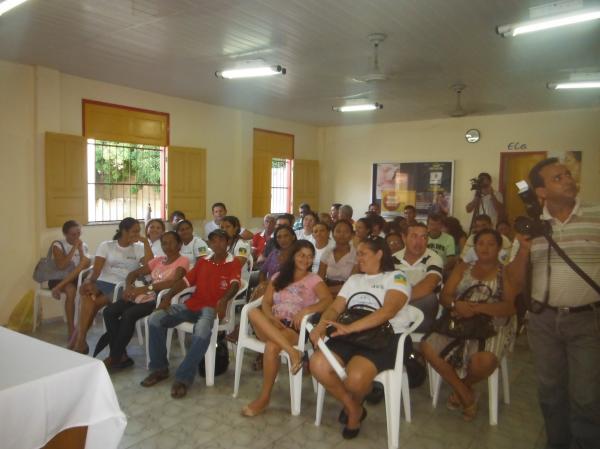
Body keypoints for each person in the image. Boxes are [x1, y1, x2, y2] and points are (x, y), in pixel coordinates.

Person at [507, 158, 600, 449]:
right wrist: (523, 249)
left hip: (587, 320)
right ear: (541, 192)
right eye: (558, 177)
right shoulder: (531, 226)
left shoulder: (596, 216)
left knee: (586, 396)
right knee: (550, 392)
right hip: (543, 322)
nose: (569, 180)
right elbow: (512, 281)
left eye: (568, 174)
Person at [309, 238, 411, 439]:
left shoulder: (397, 277)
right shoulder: (355, 280)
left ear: (379, 254)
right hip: (351, 334)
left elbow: (388, 311)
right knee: (318, 364)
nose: (358, 257)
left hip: (384, 336)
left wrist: (349, 328)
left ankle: (356, 400)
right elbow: (335, 308)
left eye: (363, 253)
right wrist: (321, 325)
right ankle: (354, 408)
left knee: (355, 379)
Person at [421, 229, 517, 422]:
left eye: (491, 244)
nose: (485, 248)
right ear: (475, 246)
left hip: (491, 324)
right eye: (481, 243)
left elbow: (509, 307)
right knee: (427, 347)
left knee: (483, 362)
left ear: (499, 248)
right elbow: (445, 296)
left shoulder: (505, 272)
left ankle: (462, 387)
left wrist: (479, 308)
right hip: (459, 320)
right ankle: (466, 394)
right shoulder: (463, 267)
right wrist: (457, 305)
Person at [141, 229, 241, 398]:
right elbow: (185, 282)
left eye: (221, 241)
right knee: (155, 319)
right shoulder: (203, 262)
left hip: (211, 309)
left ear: (228, 243)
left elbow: (235, 285)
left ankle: (183, 378)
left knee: (202, 331)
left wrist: (223, 300)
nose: (217, 244)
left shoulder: (234, 263)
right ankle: (159, 369)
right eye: (213, 241)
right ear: (209, 244)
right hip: (190, 306)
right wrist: (168, 296)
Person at [241, 240, 333, 416]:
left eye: (309, 256)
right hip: (272, 324)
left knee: (271, 346)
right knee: (252, 311)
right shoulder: (278, 277)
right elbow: (266, 303)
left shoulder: (314, 279)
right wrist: (270, 318)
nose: (306, 259)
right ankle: (292, 352)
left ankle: (264, 397)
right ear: (293, 256)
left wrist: (306, 310)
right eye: (301, 255)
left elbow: (328, 300)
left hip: (293, 329)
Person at [103, 231, 188, 370]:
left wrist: (144, 289)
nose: (168, 246)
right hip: (142, 296)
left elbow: (173, 282)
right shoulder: (159, 260)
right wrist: (129, 287)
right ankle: (121, 355)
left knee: (128, 314)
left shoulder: (182, 261)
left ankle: (115, 356)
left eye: (171, 242)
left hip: (160, 299)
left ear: (179, 244)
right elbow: (134, 273)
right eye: (164, 243)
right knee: (109, 312)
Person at [74, 217, 153, 353]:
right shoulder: (107, 245)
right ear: (124, 231)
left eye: (138, 232)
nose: (137, 235)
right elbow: (97, 270)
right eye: (134, 231)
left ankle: (79, 341)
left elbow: (150, 265)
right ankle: (80, 340)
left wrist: (145, 242)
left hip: (121, 286)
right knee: (87, 298)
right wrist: (88, 282)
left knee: (93, 303)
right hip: (102, 282)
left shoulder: (139, 248)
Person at [393, 223, 443, 332]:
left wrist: (398, 302)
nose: (419, 242)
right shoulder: (393, 259)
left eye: (424, 237)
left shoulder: (434, 258)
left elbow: (429, 285)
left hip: (425, 312)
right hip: (396, 313)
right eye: (414, 236)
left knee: (429, 298)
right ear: (404, 237)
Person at [48, 220, 91, 339]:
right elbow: (61, 265)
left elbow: (85, 266)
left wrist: (81, 249)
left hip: (77, 278)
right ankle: (71, 328)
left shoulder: (84, 245)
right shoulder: (57, 245)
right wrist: (74, 249)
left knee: (84, 262)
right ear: (65, 234)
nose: (77, 237)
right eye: (73, 234)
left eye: (78, 233)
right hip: (59, 277)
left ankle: (59, 288)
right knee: (71, 291)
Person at [319, 219, 358, 296]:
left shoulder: (356, 254)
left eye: (346, 232)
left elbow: (352, 283)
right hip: (326, 289)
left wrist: (327, 291)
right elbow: (320, 278)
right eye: (338, 231)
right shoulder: (327, 252)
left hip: (347, 292)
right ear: (332, 234)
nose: (342, 234)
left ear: (352, 235)